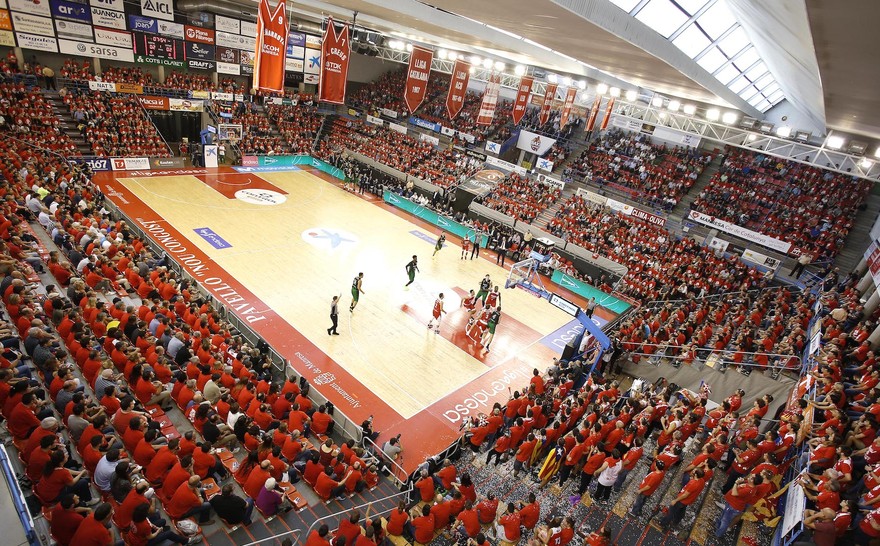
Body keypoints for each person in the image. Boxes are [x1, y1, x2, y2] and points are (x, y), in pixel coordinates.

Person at [126, 502, 197, 545]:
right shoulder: (144, 526)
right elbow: (150, 537)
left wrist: (154, 527)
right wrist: (158, 531)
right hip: (143, 542)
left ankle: (162, 533)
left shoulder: (135, 517)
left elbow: (148, 522)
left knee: (163, 521)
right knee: (169, 533)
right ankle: (186, 541)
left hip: (135, 536)